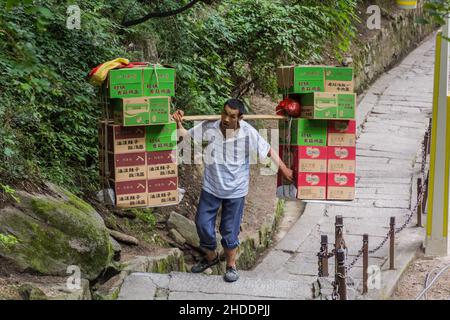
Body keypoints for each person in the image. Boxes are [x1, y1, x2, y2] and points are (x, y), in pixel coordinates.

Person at [172, 98, 293, 282]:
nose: (226, 119)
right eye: (224, 113)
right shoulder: (209, 127)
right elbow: (185, 136)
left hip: (236, 190)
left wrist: (284, 170)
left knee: (229, 231)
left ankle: (231, 266)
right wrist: (178, 122)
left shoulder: (248, 133)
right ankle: (211, 257)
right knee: (202, 224)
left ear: (240, 118)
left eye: (232, 116)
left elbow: (268, 150)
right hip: (211, 186)